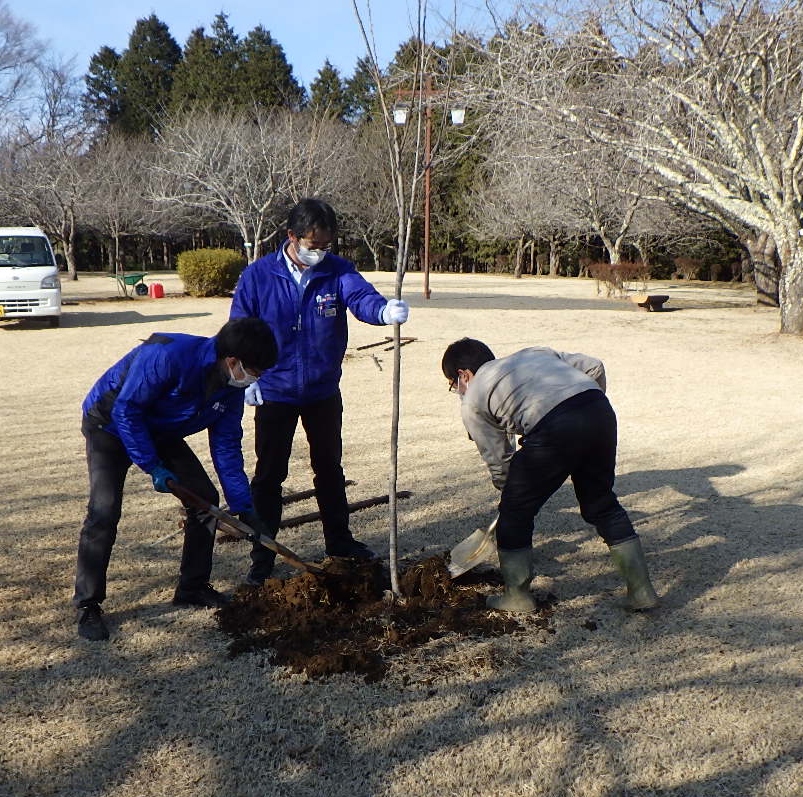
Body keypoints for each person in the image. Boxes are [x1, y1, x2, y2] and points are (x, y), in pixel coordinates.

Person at [230, 197, 409, 585]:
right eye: (314, 245)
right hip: (274, 392)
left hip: (322, 391)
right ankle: (263, 554)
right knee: (269, 475)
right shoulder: (258, 276)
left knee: (329, 470)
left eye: (327, 245)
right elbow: (238, 331)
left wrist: (382, 311)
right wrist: (246, 379)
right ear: (292, 237)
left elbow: (361, 298)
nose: (321, 253)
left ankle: (340, 544)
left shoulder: (337, 271)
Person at [72, 317, 279, 641]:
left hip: (159, 429)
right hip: (109, 424)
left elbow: (225, 445)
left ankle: (192, 587)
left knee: (204, 500)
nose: (258, 378)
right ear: (233, 361)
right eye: (257, 371)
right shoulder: (169, 357)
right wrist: (152, 466)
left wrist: (243, 505)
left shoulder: (230, 389)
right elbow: (128, 411)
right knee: (104, 510)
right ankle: (88, 605)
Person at [440, 337, 658, 613]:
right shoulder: (534, 353)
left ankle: (517, 597)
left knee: (515, 514)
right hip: (598, 411)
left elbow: (498, 459)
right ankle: (642, 592)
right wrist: (585, 414)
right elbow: (594, 367)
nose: (457, 391)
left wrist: (511, 496)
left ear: (463, 375)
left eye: (453, 384)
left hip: (554, 426)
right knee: (601, 504)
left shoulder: (472, 398)